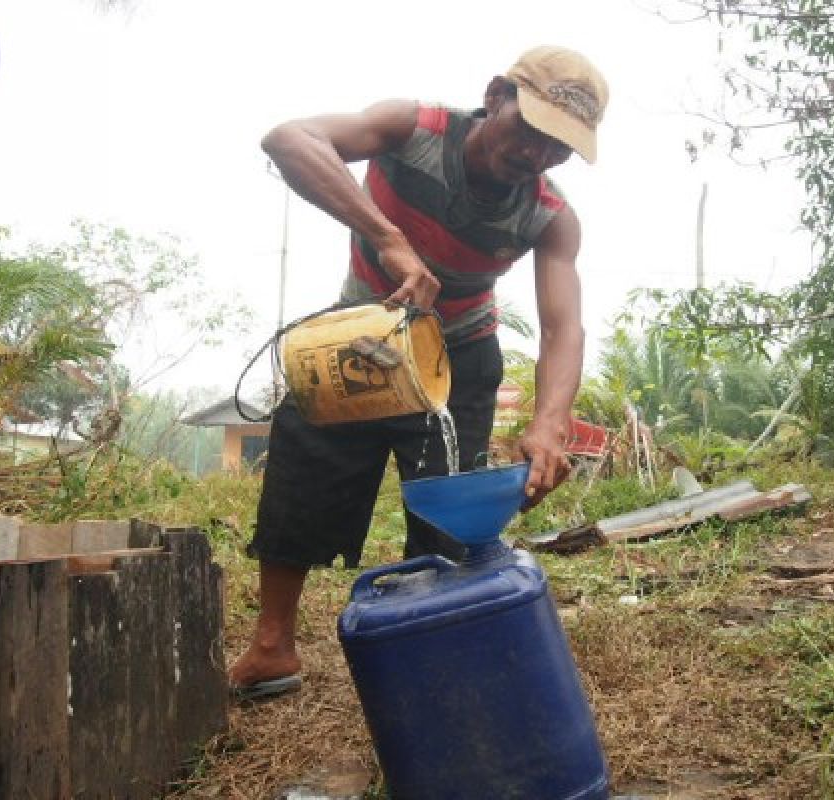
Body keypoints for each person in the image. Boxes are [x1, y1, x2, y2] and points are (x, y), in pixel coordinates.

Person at [230, 45, 608, 700]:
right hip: (360, 335)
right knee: (302, 483)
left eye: (559, 148)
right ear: (496, 96)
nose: (536, 156)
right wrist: (388, 238)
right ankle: (272, 648)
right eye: (531, 131)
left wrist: (549, 424)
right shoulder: (413, 130)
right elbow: (288, 139)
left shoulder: (550, 216)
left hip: (459, 356)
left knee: (450, 517)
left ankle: (438, 658)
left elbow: (562, 327)